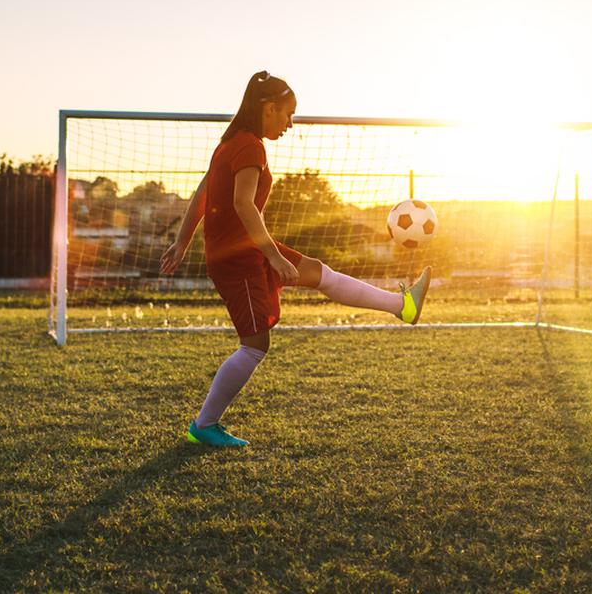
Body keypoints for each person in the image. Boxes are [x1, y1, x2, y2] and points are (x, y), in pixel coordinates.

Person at [160, 71, 431, 448]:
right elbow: (241, 203)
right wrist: (272, 255)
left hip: (245, 249)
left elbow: (203, 192)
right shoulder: (249, 146)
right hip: (238, 258)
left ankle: (402, 306)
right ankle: (204, 425)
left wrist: (183, 241)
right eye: (288, 114)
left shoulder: (230, 143)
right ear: (268, 109)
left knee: (322, 274)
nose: (290, 123)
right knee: (255, 345)